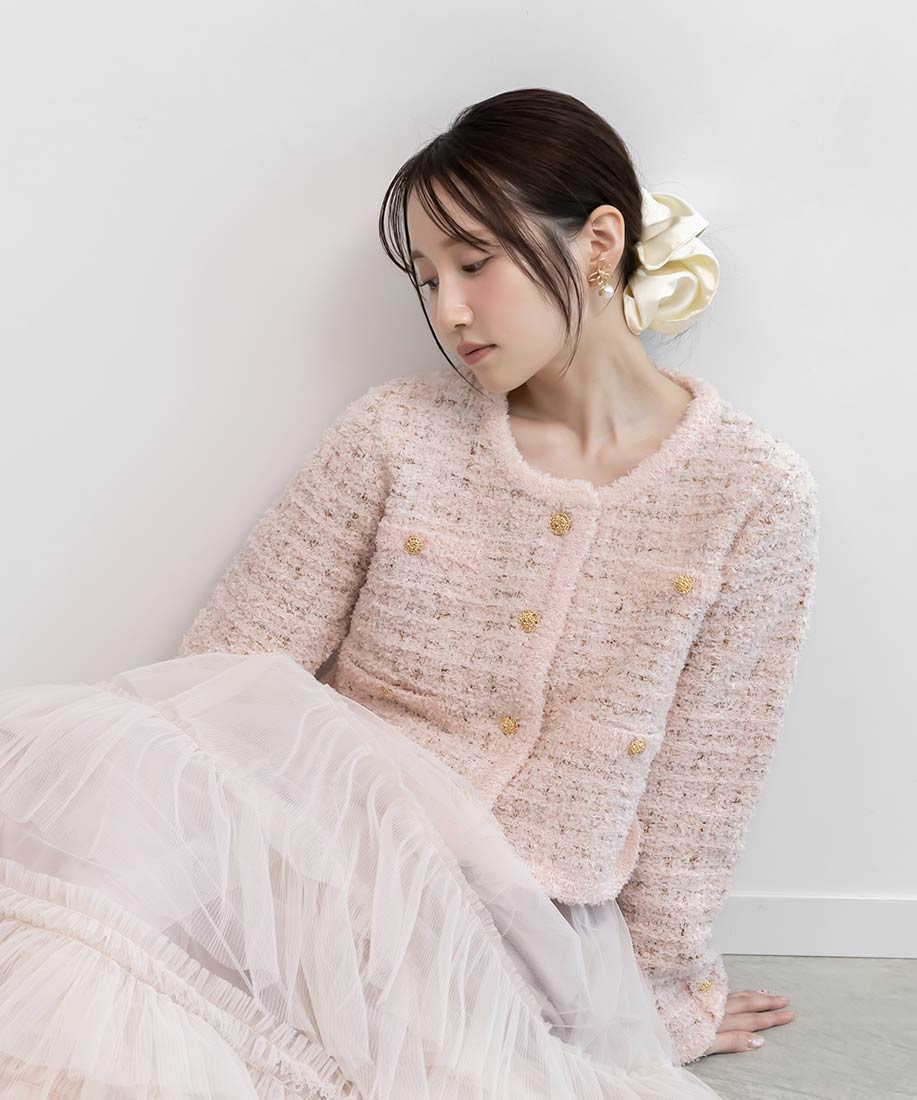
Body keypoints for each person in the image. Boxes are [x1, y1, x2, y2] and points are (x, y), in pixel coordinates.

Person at [0, 88, 816, 1098]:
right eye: (427, 279)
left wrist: (658, 996)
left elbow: (706, 776)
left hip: (520, 924)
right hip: (327, 854)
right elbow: (229, 668)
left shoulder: (750, 491)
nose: (448, 311)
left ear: (600, 242)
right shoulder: (396, 431)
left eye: (474, 263)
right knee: (107, 846)